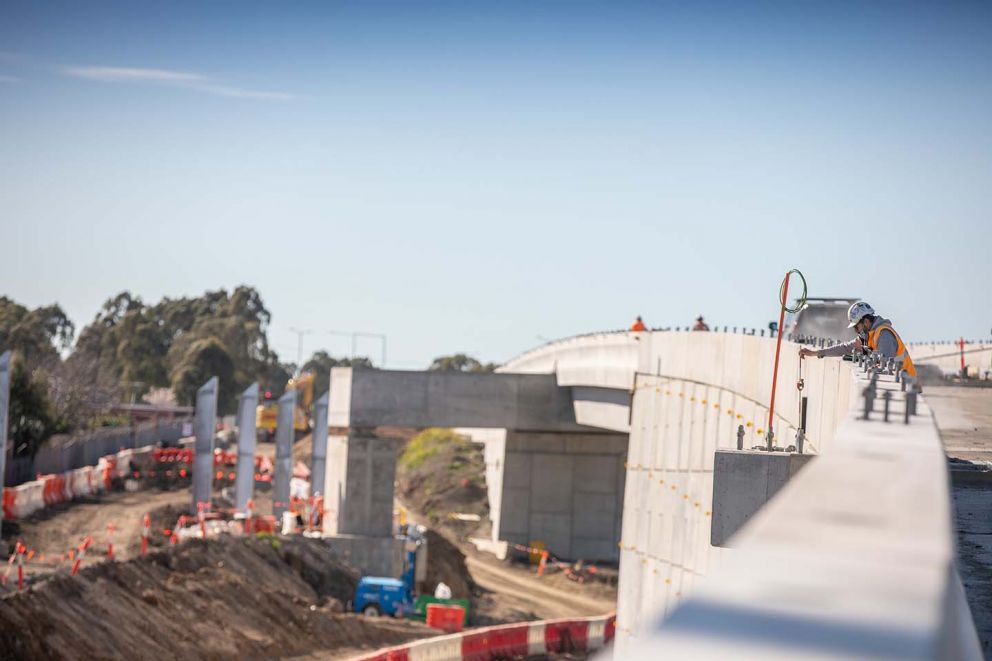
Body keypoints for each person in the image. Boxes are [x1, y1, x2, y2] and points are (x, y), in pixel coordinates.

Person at [799, 301, 917, 378]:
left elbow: (885, 363)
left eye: (856, 326)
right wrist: (816, 353)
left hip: (907, 386)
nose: (856, 330)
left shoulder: (884, 334)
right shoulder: (868, 336)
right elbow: (845, 348)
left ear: (865, 321)